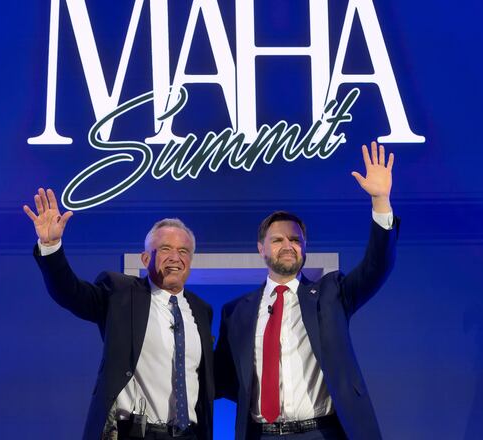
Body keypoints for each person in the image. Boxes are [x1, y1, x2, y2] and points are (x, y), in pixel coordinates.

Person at [214, 142, 399, 439]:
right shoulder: (236, 312)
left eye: (295, 240)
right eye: (278, 240)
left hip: (321, 433)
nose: (288, 246)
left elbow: (376, 267)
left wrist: (381, 201)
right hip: (262, 435)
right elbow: (221, 379)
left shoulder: (331, 294)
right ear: (261, 249)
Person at [24, 189, 214, 440]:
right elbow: (70, 293)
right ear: (146, 258)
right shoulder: (121, 293)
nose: (175, 258)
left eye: (183, 251)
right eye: (165, 248)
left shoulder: (201, 310)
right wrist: (51, 246)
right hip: (134, 433)